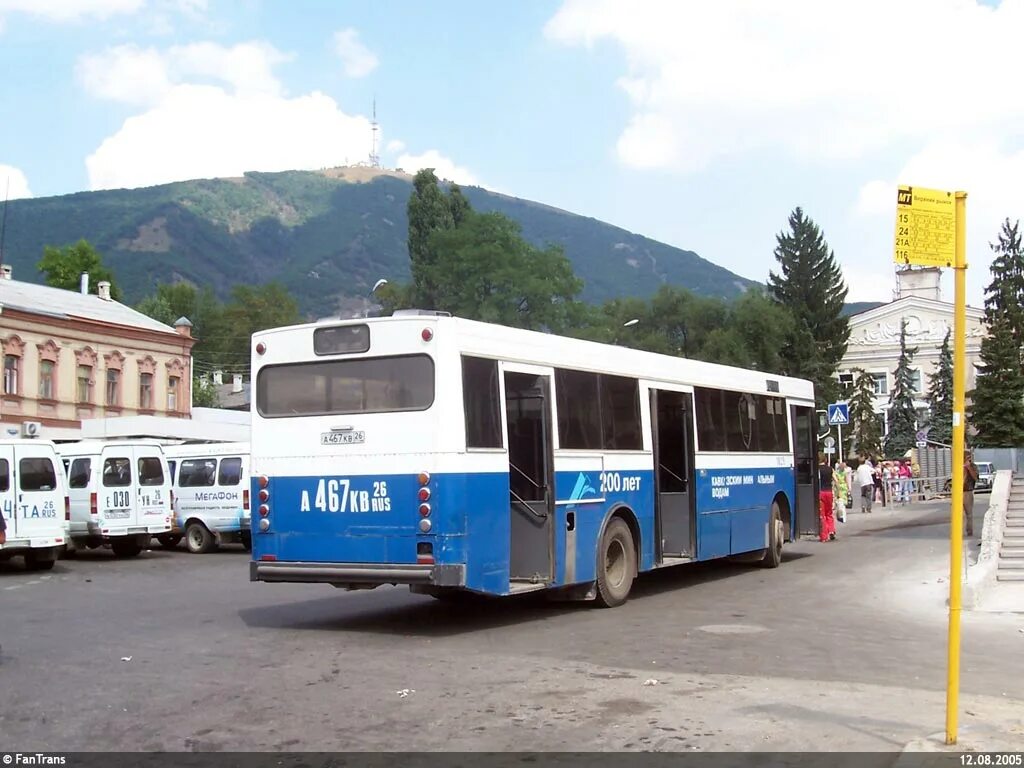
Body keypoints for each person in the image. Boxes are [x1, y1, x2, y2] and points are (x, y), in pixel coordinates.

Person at [818, 454, 836, 541]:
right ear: (825, 460)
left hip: (820, 492)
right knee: (829, 513)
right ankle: (831, 530)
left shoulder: (816, 470)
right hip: (829, 492)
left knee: (822, 515)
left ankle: (824, 536)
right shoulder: (830, 469)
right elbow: (836, 480)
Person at [964, 449, 979, 537]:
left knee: (969, 514)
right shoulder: (957, 465)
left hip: (968, 492)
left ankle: (969, 531)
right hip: (958, 492)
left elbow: (976, 478)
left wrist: (969, 467)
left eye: (969, 457)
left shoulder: (973, 466)